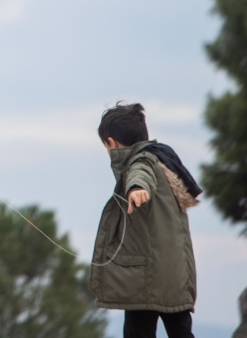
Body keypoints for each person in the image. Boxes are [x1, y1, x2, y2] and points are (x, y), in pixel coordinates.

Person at [89, 103, 201, 338]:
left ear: (111, 143)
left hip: (146, 279)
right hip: (172, 276)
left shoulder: (141, 161)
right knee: (180, 332)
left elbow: (141, 174)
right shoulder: (162, 159)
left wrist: (137, 188)